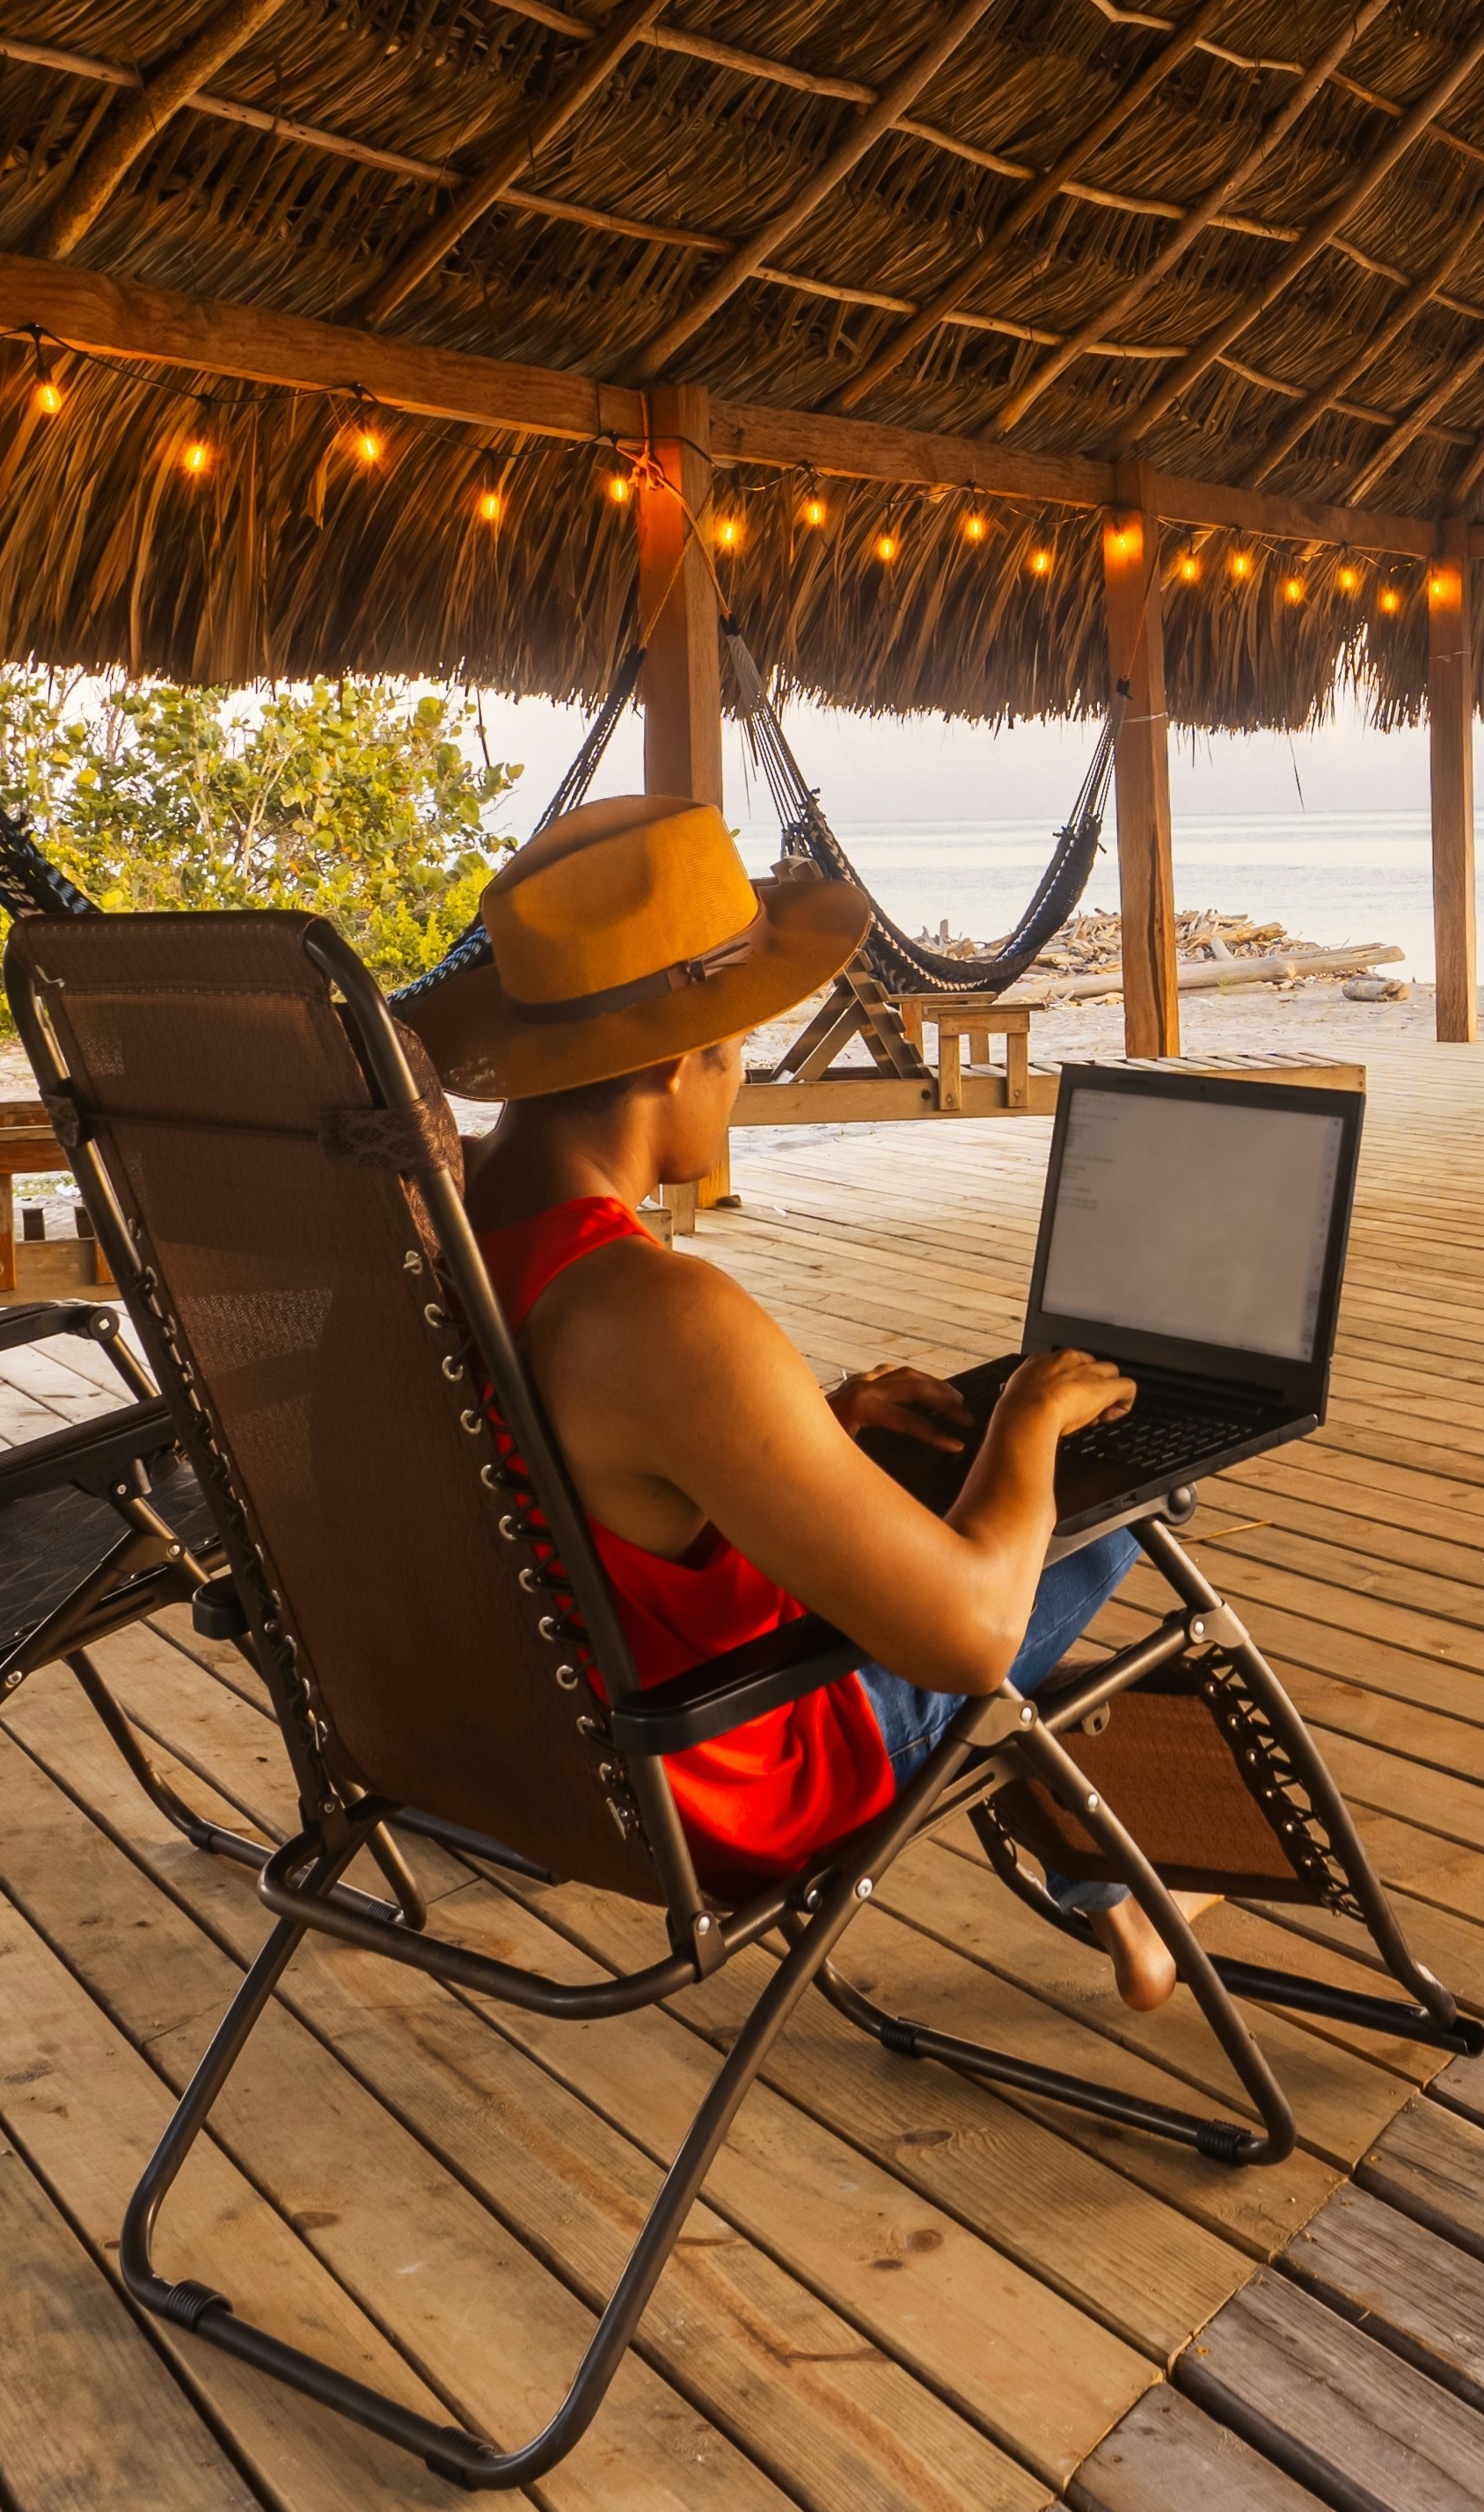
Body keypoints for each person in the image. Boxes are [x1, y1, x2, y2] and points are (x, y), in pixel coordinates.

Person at [406, 794, 1204, 2010]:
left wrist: (802, 1429)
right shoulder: (652, 1311)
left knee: (969, 1509)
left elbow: (573, 1480)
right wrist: (1027, 1416)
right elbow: (972, 1634)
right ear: (684, 1056)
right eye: (742, 1049)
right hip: (724, 1780)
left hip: (526, 1751)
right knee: (1116, 1511)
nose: (739, 1076)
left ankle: (1133, 1903)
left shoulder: (443, 1233)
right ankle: (1142, 1888)